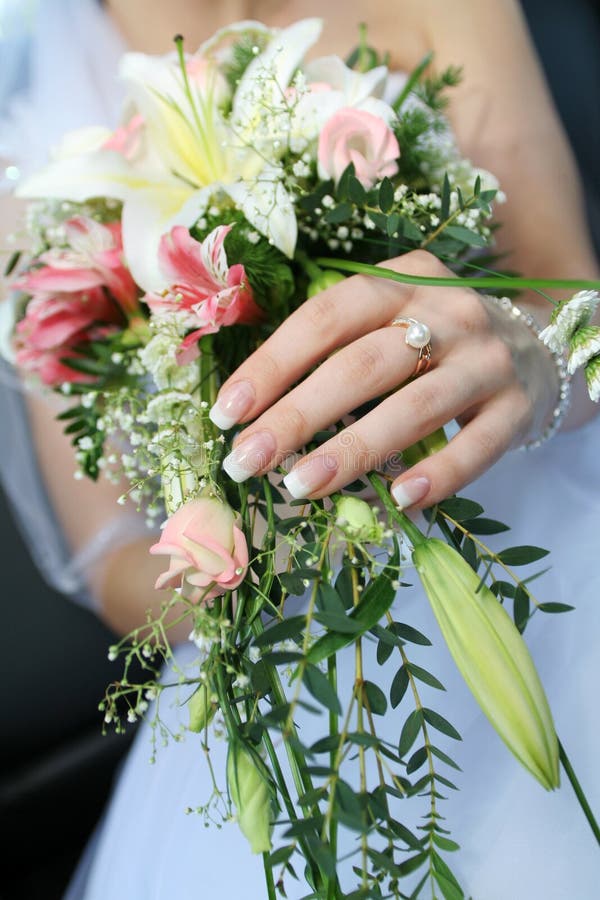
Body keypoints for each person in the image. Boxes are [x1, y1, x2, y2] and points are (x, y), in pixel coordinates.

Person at [0, 1, 598, 897]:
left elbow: (581, 324)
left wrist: (529, 358)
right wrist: (239, 563)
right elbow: (108, 555)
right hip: (295, 665)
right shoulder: (35, 134)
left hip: (542, 553)